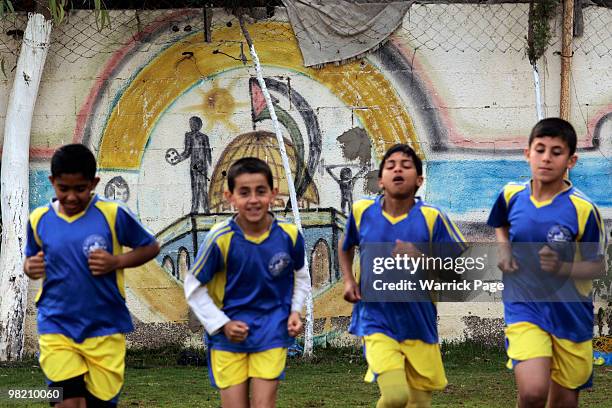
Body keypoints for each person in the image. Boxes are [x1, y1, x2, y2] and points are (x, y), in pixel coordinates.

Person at [24, 144, 160, 407]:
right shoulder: (39, 219)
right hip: (57, 325)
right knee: (66, 400)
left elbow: (151, 247)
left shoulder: (112, 215)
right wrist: (31, 267)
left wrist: (116, 261)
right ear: (53, 182)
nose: (72, 197)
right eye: (64, 189)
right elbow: (30, 260)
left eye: (81, 189)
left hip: (104, 327)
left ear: (94, 182)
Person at [487, 118, 607, 408]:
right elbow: (500, 223)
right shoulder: (511, 195)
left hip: (570, 315)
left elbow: (599, 266)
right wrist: (504, 251)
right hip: (524, 307)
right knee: (532, 393)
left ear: (571, 160)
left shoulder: (583, 210)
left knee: (563, 403)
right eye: (540, 149)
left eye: (556, 151)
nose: (546, 158)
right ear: (527, 153)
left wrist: (563, 268)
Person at [339, 144, 467, 408]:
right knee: (396, 396)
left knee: (418, 402)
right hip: (377, 321)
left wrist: (419, 256)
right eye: (391, 165)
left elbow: (457, 273)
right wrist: (349, 281)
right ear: (380, 179)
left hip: (419, 323)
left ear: (419, 180)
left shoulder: (433, 218)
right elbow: (345, 245)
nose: (398, 168)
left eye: (406, 166)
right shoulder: (363, 212)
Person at [184, 157, 310, 408]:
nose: (253, 199)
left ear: (273, 194)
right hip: (229, 338)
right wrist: (222, 324)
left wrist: (295, 310)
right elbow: (193, 286)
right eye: (244, 192)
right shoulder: (219, 238)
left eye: (260, 191)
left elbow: (301, 275)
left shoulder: (289, 235)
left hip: (272, 331)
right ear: (230, 196)